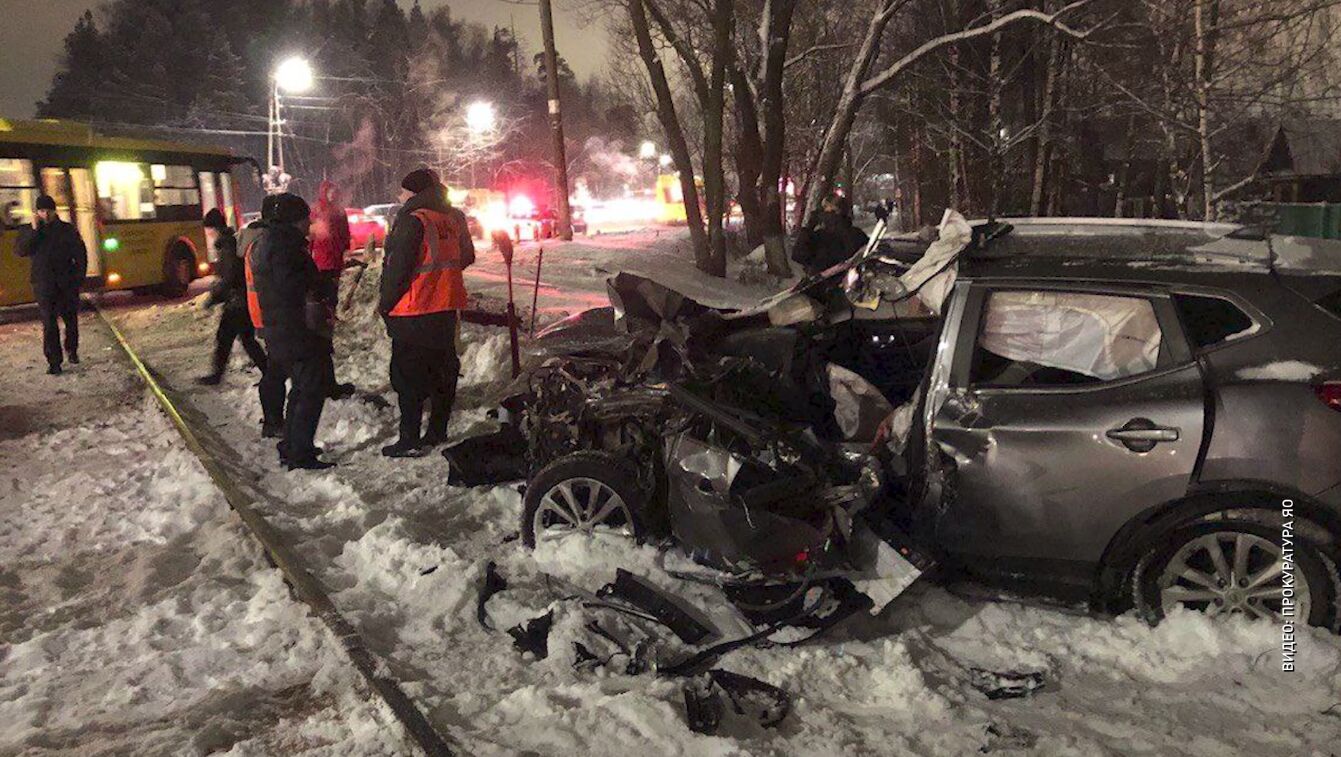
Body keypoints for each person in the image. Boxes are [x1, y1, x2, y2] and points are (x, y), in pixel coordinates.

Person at [378, 168, 474, 458]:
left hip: (413, 310)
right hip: (445, 307)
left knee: (408, 377)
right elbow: (466, 257)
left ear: (414, 192)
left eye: (404, 191)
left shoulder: (413, 220)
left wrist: (385, 304)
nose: (400, 196)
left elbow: (398, 271)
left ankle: (409, 439)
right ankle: (437, 431)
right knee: (443, 370)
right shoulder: (453, 217)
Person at [247, 192, 336, 470]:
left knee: (300, 389)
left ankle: (293, 444)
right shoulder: (285, 246)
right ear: (294, 221)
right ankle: (300, 453)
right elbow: (292, 286)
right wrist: (321, 284)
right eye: (305, 219)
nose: (309, 224)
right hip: (296, 329)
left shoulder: (268, 242)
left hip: (281, 328)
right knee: (310, 390)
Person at [16, 195, 86, 375]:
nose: (45, 214)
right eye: (41, 211)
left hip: (66, 283)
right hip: (44, 285)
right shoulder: (30, 230)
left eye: (48, 210)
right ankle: (54, 362)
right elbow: (21, 251)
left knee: (70, 319)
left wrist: (78, 278)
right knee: (49, 323)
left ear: (54, 211)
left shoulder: (67, 230)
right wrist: (34, 230)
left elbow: (80, 254)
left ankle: (72, 349)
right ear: (36, 212)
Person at [198, 209, 267, 386]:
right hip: (238, 300)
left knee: (226, 337)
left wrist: (213, 298)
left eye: (209, 230)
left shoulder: (226, 246)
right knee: (245, 339)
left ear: (214, 228)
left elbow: (229, 277)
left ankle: (216, 376)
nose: (209, 234)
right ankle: (268, 373)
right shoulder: (228, 243)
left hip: (236, 301)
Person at [309, 180, 355, 399]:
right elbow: (310, 235)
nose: (333, 194)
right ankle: (324, 321)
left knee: (333, 293)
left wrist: (345, 249)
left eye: (335, 191)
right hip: (320, 262)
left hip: (334, 261)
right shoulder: (317, 210)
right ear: (324, 192)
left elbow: (345, 233)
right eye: (330, 191)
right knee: (323, 295)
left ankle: (330, 317)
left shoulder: (339, 211)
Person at [792, 194, 869, 276]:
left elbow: (798, 256)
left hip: (823, 285)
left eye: (824, 208)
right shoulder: (858, 234)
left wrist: (808, 228)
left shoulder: (819, 237)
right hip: (851, 285)